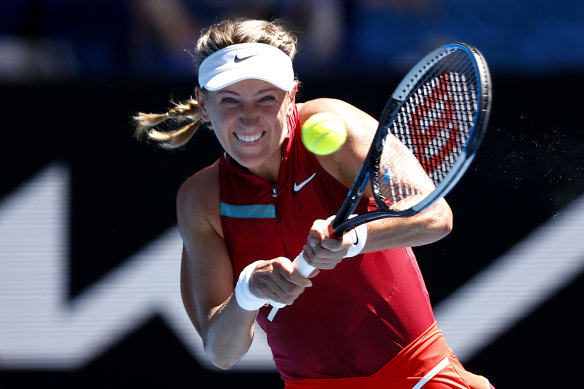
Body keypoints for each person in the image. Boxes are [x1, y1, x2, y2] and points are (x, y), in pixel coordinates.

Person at [134, 18, 494, 389]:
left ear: (292, 95)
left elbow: (436, 216)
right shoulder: (200, 198)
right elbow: (221, 352)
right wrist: (248, 290)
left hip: (420, 376)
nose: (248, 117)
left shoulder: (330, 123)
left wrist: (353, 241)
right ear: (203, 104)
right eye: (229, 99)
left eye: (266, 98)